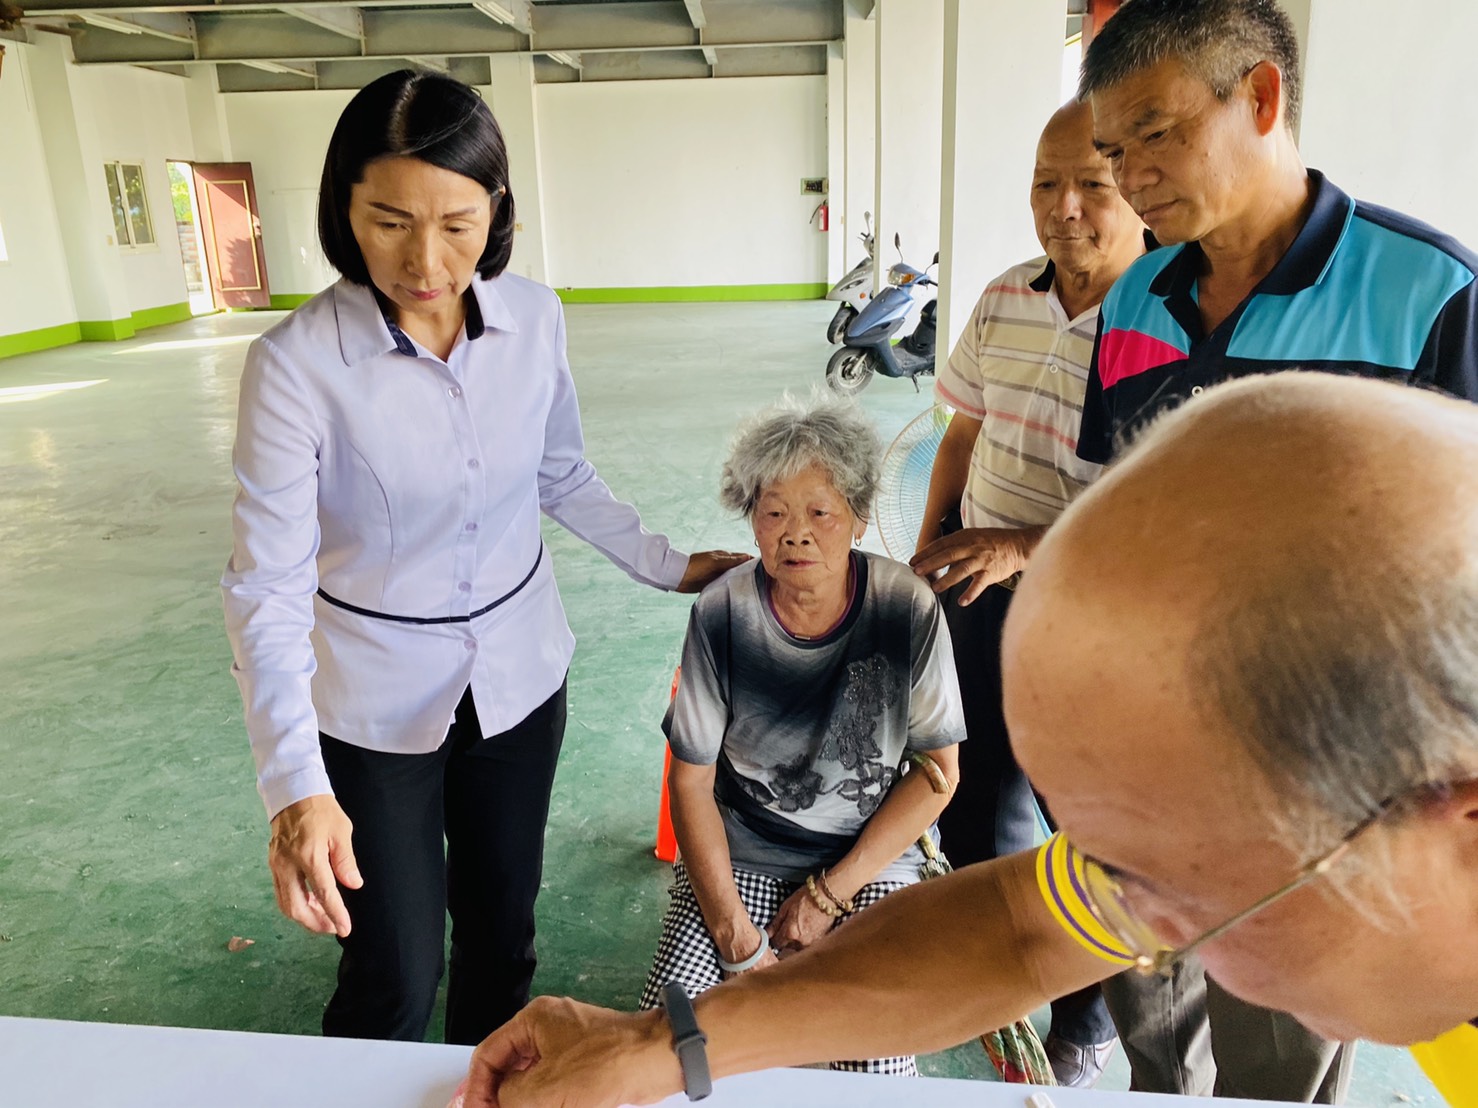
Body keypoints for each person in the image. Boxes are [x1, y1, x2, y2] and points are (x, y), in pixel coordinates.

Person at [457, 372, 1478, 1108]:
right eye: (1111, 858)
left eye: (1187, 888)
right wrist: (662, 1041)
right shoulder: (1279, 831)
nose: (1143, 940)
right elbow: (1013, 929)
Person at [220, 70, 746, 1046]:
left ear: (496, 209)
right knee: (393, 967)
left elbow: (560, 474)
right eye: (388, 220)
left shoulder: (534, 320)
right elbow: (267, 583)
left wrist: (667, 565)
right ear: (344, 207)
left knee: (503, 935)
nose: (426, 259)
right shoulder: (296, 366)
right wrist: (294, 784)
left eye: (458, 223)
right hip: (372, 704)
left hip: (517, 676)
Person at [1072, 0, 1478, 1098]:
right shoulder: (1135, 303)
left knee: (1276, 1041)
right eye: (1111, 148)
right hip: (1149, 741)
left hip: (1321, 770)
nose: (1126, 174)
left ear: (1258, 95)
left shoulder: (1427, 293)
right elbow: (1112, 507)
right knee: (1146, 992)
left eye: (1153, 132)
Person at [910, 98, 1145, 1087]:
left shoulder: (1162, 319)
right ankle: (992, 967)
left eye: (1092, 182)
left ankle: (1082, 1010)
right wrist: (933, 547)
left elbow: (1161, 510)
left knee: (1084, 815)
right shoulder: (1005, 295)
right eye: (1045, 184)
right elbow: (961, 434)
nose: (1065, 208)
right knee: (965, 787)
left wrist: (1023, 544)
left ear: (1138, 182)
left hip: (1091, 609)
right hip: (973, 591)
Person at [636, 394, 965, 1077]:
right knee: (672, 1052)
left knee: (873, 1061)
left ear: (860, 519)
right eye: (774, 511)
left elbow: (939, 775)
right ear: (751, 521)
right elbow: (691, 780)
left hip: (867, 862)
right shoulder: (723, 611)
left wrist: (830, 894)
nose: (796, 533)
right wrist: (732, 933)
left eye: (820, 511)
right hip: (743, 856)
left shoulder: (905, 608)